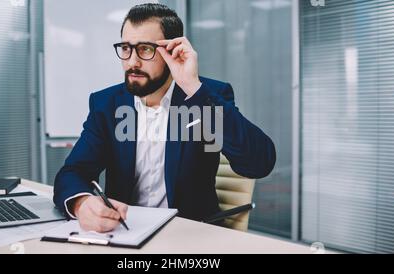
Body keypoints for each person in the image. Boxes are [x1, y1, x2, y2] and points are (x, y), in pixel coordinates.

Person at [53, 3, 276, 233]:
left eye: (145, 49)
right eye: (126, 48)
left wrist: (193, 88)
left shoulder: (205, 95)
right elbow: (73, 172)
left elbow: (258, 163)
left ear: (173, 49)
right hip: (123, 233)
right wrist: (82, 204)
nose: (132, 62)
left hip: (189, 235)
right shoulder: (107, 104)